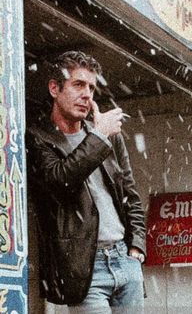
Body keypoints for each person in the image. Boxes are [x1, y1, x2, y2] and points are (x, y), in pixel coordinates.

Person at [27, 50, 146, 313]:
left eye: (91, 87)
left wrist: (136, 248)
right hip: (84, 269)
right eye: (78, 84)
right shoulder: (38, 139)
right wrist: (99, 136)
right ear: (54, 88)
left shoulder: (109, 138)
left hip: (125, 259)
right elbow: (60, 182)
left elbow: (130, 195)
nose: (87, 94)